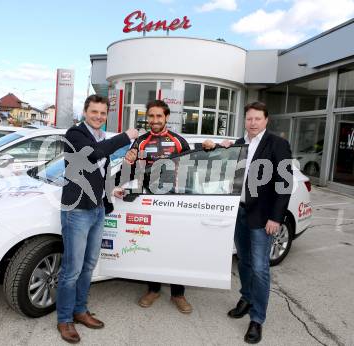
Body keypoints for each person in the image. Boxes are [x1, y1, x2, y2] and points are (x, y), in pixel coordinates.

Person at [204, 101, 292, 344]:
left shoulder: (278, 144)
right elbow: (217, 166)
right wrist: (212, 147)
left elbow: (284, 184)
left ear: (266, 120)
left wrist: (276, 217)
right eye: (249, 119)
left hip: (263, 216)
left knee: (260, 267)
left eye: (257, 119)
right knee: (243, 260)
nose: (252, 123)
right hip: (238, 213)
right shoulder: (239, 144)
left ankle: (257, 319)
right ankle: (246, 297)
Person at [56, 94, 138, 344]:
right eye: (95, 112)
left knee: (89, 266)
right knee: (72, 270)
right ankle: (64, 319)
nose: (99, 117)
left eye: (103, 113)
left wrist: (109, 190)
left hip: (98, 208)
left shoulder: (101, 136)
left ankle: (80, 311)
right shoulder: (75, 134)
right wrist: (126, 137)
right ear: (85, 111)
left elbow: (99, 171)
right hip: (77, 211)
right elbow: (92, 155)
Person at [123, 99, 196, 314]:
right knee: (151, 246)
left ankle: (178, 294)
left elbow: (190, 173)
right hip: (149, 202)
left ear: (166, 117)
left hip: (175, 203)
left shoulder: (179, 141)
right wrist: (129, 160)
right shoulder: (140, 141)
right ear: (147, 117)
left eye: (159, 116)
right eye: (151, 116)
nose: (154, 120)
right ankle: (153, 289)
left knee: (176, 248)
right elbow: (132, 173)